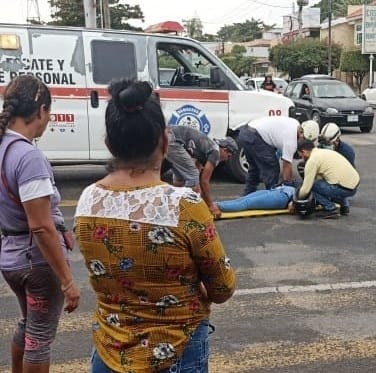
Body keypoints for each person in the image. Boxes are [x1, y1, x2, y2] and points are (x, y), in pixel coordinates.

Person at [74, 79, 236, 373]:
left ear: (109, 143)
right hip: (176, 353)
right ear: (164, 141)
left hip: (108, 353)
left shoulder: (88, 201)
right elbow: (222, 287)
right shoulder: (184, 206)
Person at [0, 75, 80, 373]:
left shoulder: (3, 147)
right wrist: (68, 280)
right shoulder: (28, 156)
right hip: (36, 262)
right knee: (40, 337)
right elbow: (41, 226)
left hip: (11, 257)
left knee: (29, 324)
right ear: (41, 111)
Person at [165, 125, 238, 218]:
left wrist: (204, 201)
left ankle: (169, 207)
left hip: (167, 137)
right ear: (225, 150)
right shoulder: (215, 152)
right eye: (228, 156)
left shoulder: (206, 148)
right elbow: (204, 181)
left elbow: (198, 174)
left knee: (181, 179)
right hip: (173, 140)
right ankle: (188, 212)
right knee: (193, 176)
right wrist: (211, 206)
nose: (226, 160)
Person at [237, 116, 304, 195]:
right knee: (272, 168)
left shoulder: (295, 123)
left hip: (245, 132)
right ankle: (273, 196)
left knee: (255, 168)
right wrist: (289, 188)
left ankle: (247, 194)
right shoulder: (291, 142)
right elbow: (287, 166)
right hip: (255, 137)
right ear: (300, 133)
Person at [297, 139, 360, 218]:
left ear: (304, 151)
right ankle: (344, 207)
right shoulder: (324, 152)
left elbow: (306, 189)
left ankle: (331, 209)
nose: (302, 158)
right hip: (353, 186)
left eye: (301, 155)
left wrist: (297, 200)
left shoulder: (312, 161)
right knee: (328, 182)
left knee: (312, 186)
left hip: (343, 188)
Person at [216, 184, 296, 212]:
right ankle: (215, 204)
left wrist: (293, 202)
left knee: (247, 202)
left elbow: (292, 206)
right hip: (277, 190)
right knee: (243, 199)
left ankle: (217, 206)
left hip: (283, 197)